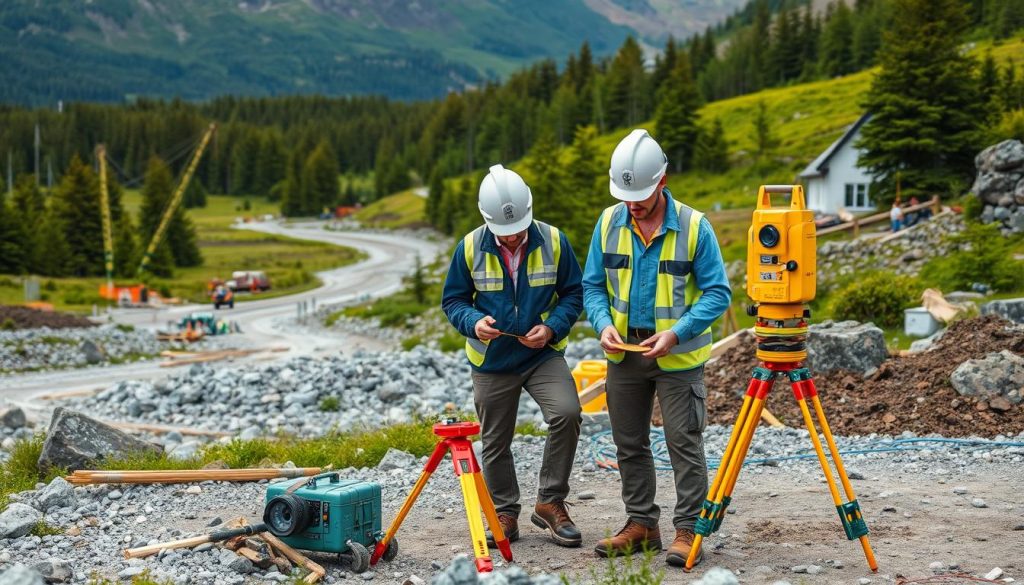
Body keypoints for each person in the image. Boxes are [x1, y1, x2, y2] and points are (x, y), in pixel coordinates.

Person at [582, 130, 731, 567]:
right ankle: (642, 525)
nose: (633, 204)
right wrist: (603, 323)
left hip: (677, 357)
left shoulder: (694, 227)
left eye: (642, 195)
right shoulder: (609, 223)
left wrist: (677, 333)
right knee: (628, 443)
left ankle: (689, 529)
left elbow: (718, 294)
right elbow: (592, 286)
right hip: (624, 355)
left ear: (662, 180)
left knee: (683, 442)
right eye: (626, 195)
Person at [442, 164, 585, 548]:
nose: (513, 236)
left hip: (542, 355)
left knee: (567, 412)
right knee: (495, 440)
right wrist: (473, 322)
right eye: (505, 232)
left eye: (519, 227)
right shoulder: (470, 247)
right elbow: (453, 300)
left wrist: (553, 327)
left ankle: (550, 502)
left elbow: (574, 293)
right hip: (491, 360)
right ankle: (505, 513)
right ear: (487, 220)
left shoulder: (555, 241)